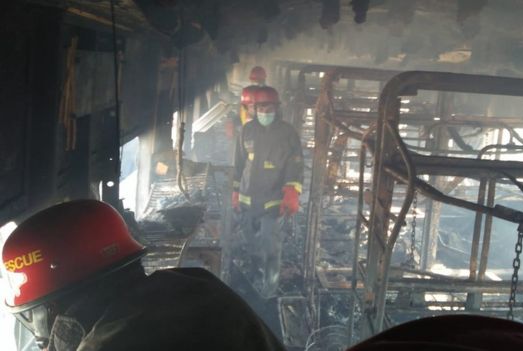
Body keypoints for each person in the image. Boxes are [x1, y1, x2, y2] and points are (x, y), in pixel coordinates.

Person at [1, 200, 286, 351]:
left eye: (37, 321)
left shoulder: (114, 344)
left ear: (65, 308)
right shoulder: (196, 285)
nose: (46, 342)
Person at [232, 86, 303, 298]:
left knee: (270, 245)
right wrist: (235, 192)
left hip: (273, 200)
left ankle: (269, 291)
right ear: (254, 108)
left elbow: (296, 164)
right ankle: (255, 278)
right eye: (261, 107)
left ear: (277, 107)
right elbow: (238, 164)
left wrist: (292, 191)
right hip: (248, 199)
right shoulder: (247, 130)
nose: (264, 111)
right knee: (252, 243)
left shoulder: (287, 133)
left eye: (268, 106)